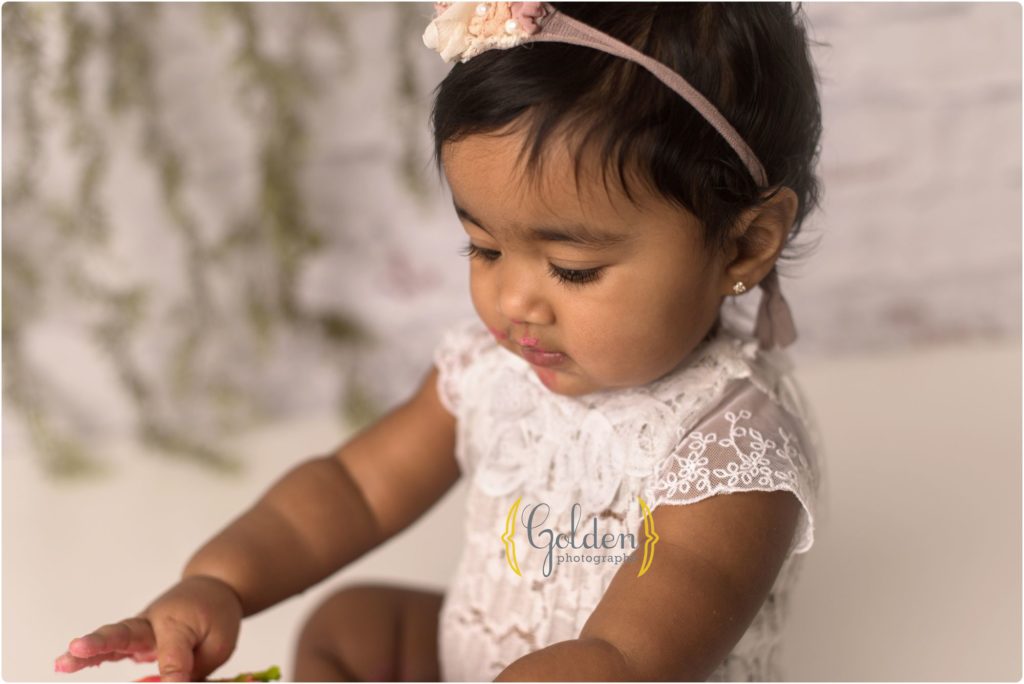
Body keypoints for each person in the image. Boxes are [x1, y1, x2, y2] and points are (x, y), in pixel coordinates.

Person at [54, 2, 826, 681]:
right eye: (484, 248)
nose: (514, 299)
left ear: (743, 245)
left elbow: (637, 652)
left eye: (572, 268)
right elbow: (354, 489)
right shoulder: (492, 370)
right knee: (352, 625)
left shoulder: (732, 453)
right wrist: (220, 582)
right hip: (482, 654)